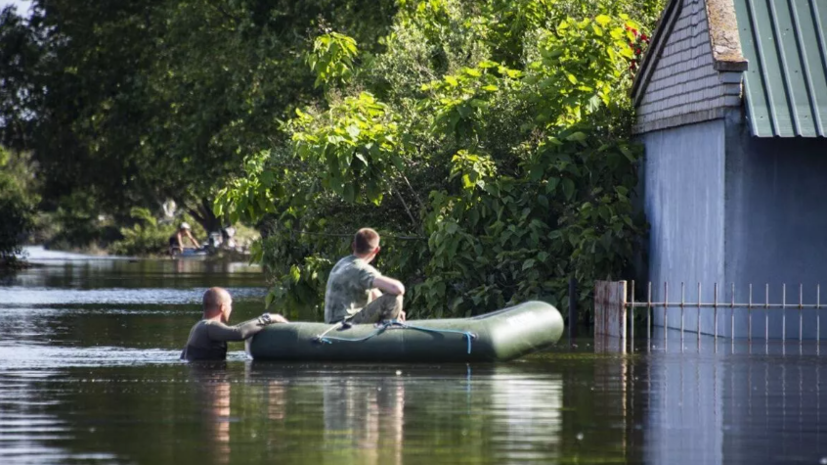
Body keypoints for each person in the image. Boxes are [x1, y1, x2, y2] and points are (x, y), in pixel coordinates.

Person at [181, 287, 288, 361]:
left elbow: (236, 327)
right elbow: (239, 332)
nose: (231, 308)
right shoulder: (209, 326)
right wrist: (269, 318)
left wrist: (260, 320)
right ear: (223, 307)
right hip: (210, 380)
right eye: (230, 305)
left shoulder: (198, 327)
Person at [324, 228, 405, 325]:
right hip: (346, 324)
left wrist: (397, 310)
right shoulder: (361, 269)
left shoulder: (342, 263)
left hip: (332, 323)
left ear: (353, 245)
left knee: (386, 299)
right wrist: (395, 306)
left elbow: (373, 291)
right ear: (377, 250)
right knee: (394, 298)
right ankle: (387, 335)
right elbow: (397, 288)